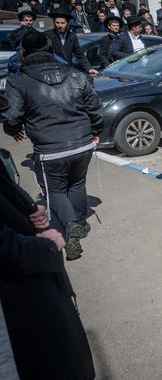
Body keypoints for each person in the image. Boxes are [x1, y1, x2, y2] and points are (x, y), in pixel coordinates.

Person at [0, 129, 95, 380]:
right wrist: (50, 244)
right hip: (18, 300)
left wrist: (27, 211)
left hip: (53, 149)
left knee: (59, 190)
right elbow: (6, 249)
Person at [1, 31, 103, 260]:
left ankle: (70, 225)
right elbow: (94, 107)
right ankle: (79, 224)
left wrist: (13, 129)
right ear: (50, 50)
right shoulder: (75, 74)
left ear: (23, 52)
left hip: (50, 148)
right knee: (77, 183)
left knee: (54, 190)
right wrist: (96, 130)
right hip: (82, 142)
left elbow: (11, 115)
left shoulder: (18, 80)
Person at [45, 10, 97, 75]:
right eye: (57, 23)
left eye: (62, 23)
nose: (60, 25)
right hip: (52, 72)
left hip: (67, 72)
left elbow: (79, 54)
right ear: (54, 23)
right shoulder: (47, 35)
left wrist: (89, 68)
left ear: (67, 23)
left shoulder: (72, 36)